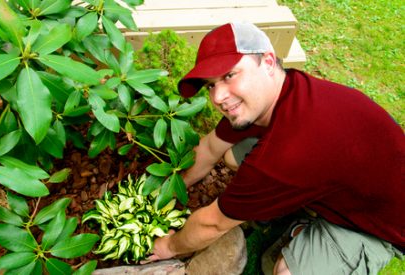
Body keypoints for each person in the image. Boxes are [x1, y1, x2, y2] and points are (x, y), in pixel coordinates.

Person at [146, 22, 404, 274]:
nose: (218, 97)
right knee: (231, 155)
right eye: (211, 84)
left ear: (268, 62)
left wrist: (168, 245)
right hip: (352, 183)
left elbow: (213, 224)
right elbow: (211, 148)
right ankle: (303, 209)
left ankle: (310, 228)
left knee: (282, 270)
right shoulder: (283, 90)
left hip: (380, 227)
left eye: (229, 75)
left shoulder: (288, 151)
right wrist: (166, 192)